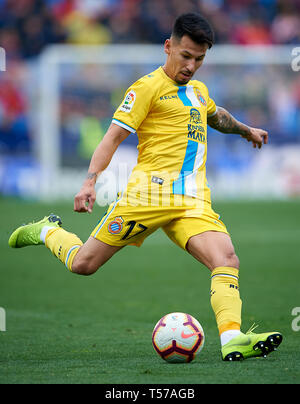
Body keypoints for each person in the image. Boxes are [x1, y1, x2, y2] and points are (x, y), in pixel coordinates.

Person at [9, 13, 282, 361]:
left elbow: (216, 116)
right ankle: (48, 230)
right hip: (147, 197)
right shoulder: (146, 88)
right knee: (84, 264)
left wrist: (246, 130)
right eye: (185, 56)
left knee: (226, 258)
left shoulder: (199, 91)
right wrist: (90, 181)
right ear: (168, 47)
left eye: (199, 59)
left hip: (193, 200)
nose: (191, 66)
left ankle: (232, 338)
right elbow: (112, 137)